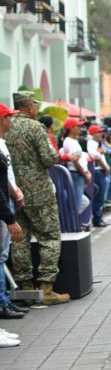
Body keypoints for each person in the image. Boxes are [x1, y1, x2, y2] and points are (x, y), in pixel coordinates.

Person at [7, 92, 69, 305]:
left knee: (19, 239)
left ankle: (24, 286)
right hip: (38, 191)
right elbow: (49, 157)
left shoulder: (6, 126)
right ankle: (46, 287)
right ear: (29, 106)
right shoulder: (35, 127)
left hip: (12, 190)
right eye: (34, 104)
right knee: (49, 236)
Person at [0, 103, 27, 324]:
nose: (12, 120)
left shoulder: (3, 144)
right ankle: (2, 302)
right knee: (0, 256)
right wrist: (8, 217)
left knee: (3, 255)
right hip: (2, 206)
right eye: (9, 117)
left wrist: (15, 193)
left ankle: (5, 300)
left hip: (6, 200)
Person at [86, 125, 110, 227]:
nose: (101, 134)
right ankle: (97, 218)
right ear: (93, 133)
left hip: (100, 171)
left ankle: (98, 217)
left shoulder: (96, 143)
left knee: (100, 196)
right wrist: (105, 167)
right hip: (98, 171)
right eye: (98, 132)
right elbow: (96, 157)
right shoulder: (92, 143)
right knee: (99, 197)